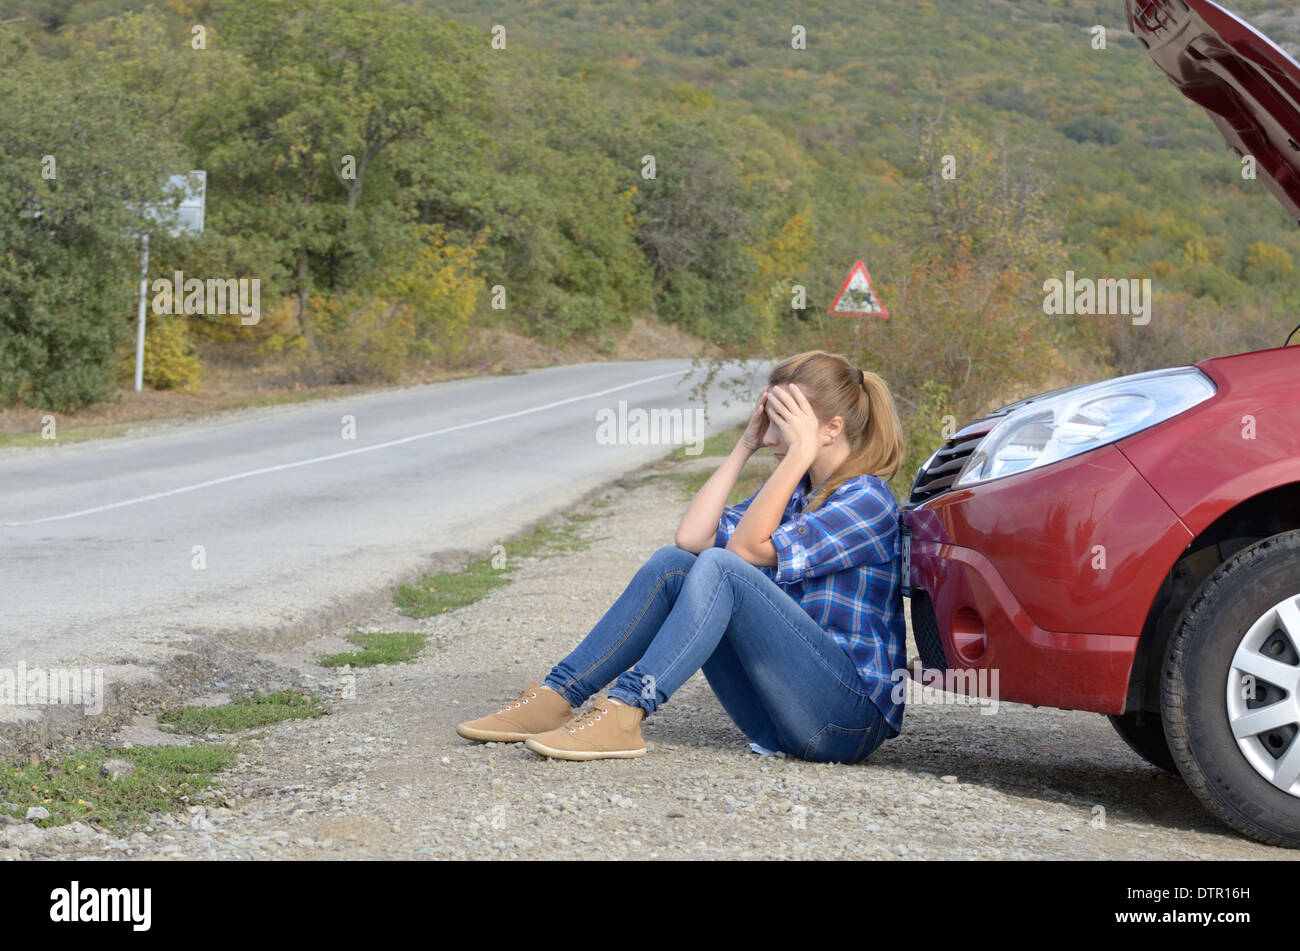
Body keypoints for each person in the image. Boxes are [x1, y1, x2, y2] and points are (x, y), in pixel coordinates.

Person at [455, 349, 908, 763]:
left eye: (783, 423)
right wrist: (743, 445)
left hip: (843, 725)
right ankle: (558, 696)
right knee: (675, 565)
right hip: (779, 718)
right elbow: (692, 538)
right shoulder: (795, 494)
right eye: (767, 419)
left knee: (722, 567)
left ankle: (626, 711)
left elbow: (744, 551)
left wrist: (799, 453)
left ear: (831, 429)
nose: (772, 436)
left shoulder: (867, 499)